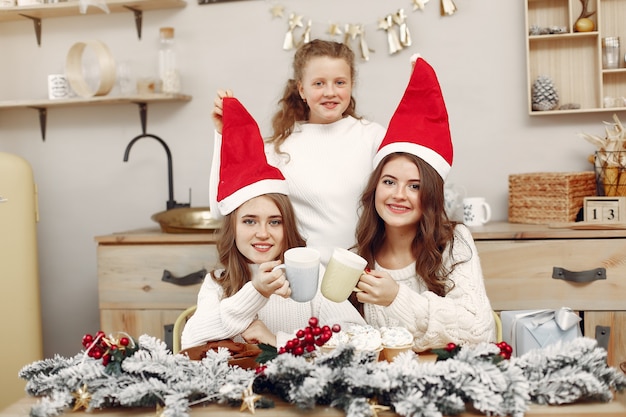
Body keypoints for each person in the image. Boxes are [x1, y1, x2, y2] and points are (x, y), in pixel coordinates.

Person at [182, 97, 365, 351]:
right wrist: (256, 292)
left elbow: (357, 337)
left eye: (275, 222)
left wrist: (279, 341)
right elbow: (190, 341)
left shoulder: (311, 277)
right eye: (249, 221)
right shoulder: (218, 284)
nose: (263, 234)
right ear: (232, 228)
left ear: (286, 226)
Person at [351, 55, 496, 352]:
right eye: (389, 181)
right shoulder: (360, 256)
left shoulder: (454, 243)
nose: (398, 194)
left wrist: (397, 299)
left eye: (414, 186)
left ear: (430, 195)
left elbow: (479, 331)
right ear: (375, 187)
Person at [210, 39, 386, 266]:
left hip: (364, 274)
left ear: (351, 85)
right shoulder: (278, 149)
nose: (330, 92)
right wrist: (223, 136)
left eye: (340, 82)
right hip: (303, 280)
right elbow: (219, 209)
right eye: (319, 83)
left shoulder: (373, 138)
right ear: (302, 89)